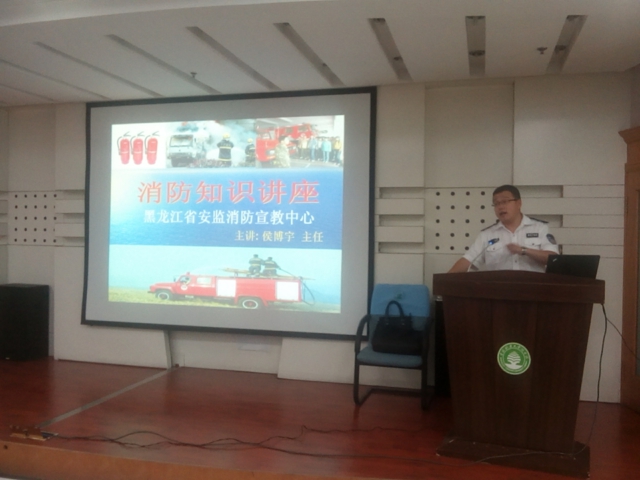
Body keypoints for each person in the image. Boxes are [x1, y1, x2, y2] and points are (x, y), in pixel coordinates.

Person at [448, 185, 559, 273]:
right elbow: (468, 260)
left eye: (505, 201)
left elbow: (553, 260)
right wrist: (445, 279)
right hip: (499, 291)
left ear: (519, 203)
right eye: (496, 203)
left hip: (533, 291)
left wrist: (524, 251)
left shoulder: (539, 228)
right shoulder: (487, 235)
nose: (500, 207)